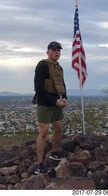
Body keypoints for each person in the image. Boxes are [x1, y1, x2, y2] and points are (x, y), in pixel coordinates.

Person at [33, 41, 68, 175]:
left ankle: (54, 152)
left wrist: (64, 98)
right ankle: (39, 165)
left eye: (58, 50)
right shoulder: (42, 65)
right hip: (45, 103)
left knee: (58, 127)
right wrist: (54, 101)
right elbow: (39, 88)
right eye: (53, 50)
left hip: (57, 102)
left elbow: (62, 85)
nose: (57, 52)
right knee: (43, 132)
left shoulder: (59, 67)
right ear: (48, 51)